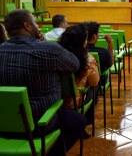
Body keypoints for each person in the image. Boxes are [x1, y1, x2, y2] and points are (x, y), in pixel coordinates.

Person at [0, 9, 86, 155]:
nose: (38, 26)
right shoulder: (49, 50)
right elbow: (75, 64)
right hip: (41, 123)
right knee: (79, 122)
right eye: (35, 22)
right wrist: (45, 43)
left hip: (3, 123)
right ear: (27, 26)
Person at [59, 24, 100, 132]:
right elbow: (94, 82)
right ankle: (86, 121)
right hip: (74, 103)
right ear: (83, 41)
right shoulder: (88, 59)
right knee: (93, 87)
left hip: (54, 100)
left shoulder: (56, 55)